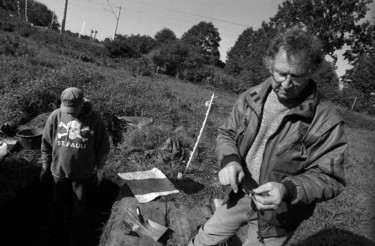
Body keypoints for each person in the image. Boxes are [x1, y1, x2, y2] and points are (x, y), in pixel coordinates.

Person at [189, 27, 347, 246]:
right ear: (270, 65)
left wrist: (287, 189)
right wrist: (230, 160)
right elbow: (227, 134)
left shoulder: (326, 120)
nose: (286, 84)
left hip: (280, 213)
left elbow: (330, 178)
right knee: (204, 239)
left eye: (297, 76)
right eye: (281, 73)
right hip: (239, 194)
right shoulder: (250, 97)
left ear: (310, 71)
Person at [40, 87, 110, 244]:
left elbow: (103, 147)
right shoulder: (56, 115)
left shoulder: (95, 120)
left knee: (78, 206)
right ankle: (53, 233)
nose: (70, 113)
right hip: (58, 171)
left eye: (73, 110)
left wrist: (100, 169)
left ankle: (74, 235)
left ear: (82, 104)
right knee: (56, 203)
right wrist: (46, 163)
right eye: (67, 109)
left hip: (82, 173)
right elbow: (46, 142)